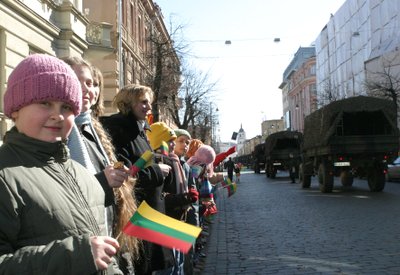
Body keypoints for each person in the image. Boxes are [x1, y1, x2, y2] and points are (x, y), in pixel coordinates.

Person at [0, 54, 122, 274]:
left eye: (66, 107)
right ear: (16, 109)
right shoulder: (5, 175)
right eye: (45, 103)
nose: (57, 115)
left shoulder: (82, 173)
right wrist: (78, 255)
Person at [63, 57, 139, 272]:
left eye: (92, 83)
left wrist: (121, 180)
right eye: (80, 81)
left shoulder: (92, 128)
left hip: (110, 232)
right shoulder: (60, 131)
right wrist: (103, 181)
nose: (88, 89)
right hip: (86, 247)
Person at [100, 84, 174, 274]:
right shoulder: (119, 131)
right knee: (143, 267)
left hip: (150, 212)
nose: (148, 107)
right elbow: (124, 175)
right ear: (128, 102)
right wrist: (157, 172)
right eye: (143, 102)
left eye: (149, 102)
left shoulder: (139, 130)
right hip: (137, 215)